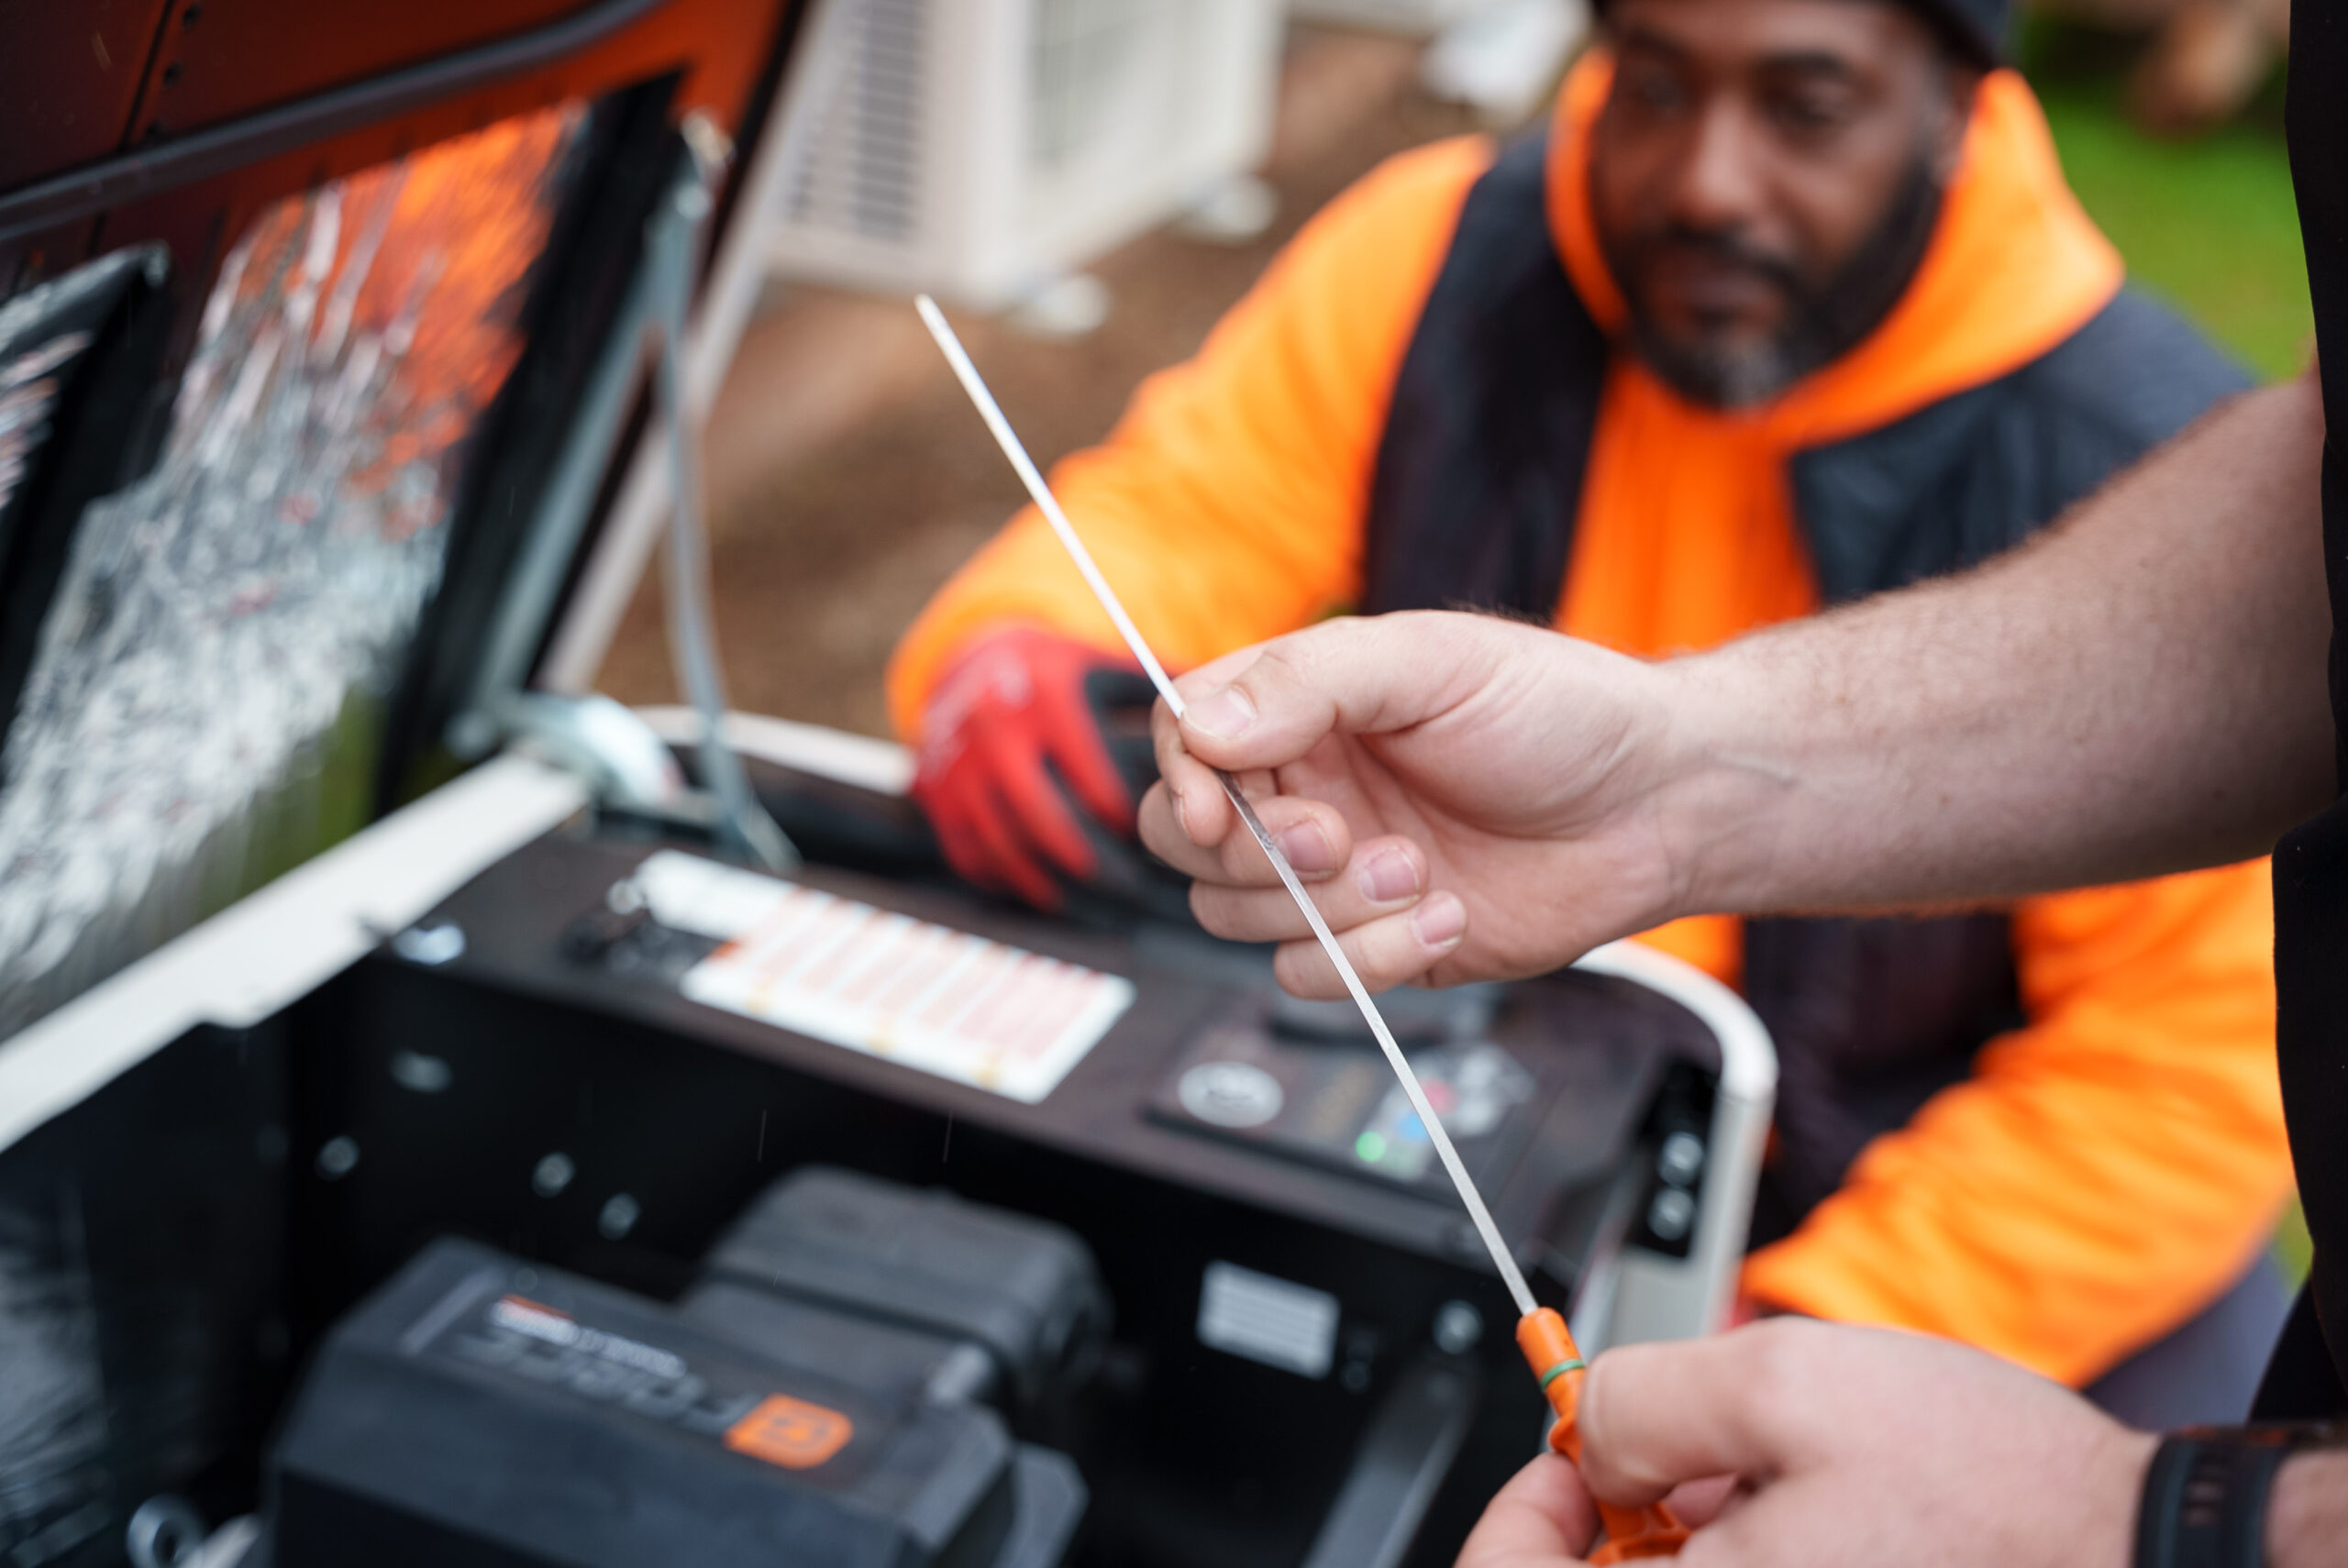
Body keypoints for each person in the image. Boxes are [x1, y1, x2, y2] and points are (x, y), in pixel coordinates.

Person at [892, 0, 2291, 1417]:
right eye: (1654, 85)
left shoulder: (2158, 494)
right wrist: (1021, 644)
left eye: (1804, 108)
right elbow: (1187, 505)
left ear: (1958, 109)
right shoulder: (1440, 257)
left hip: (1914, 1225)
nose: (1706, 183)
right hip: (1474, 1101)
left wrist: (1801, 1330)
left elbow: (2184, 1071)